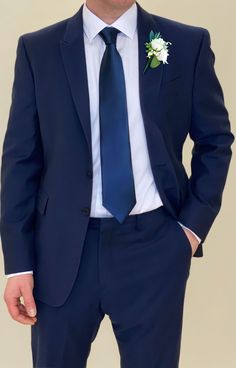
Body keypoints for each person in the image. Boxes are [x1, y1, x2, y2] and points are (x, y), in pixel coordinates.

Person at [0, 1, 234, 367]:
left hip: (154, 248)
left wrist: (189, 230)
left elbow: (216, 141)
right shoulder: (38, 51)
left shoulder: (186, 43)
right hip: (62, 253)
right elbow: (20, 161)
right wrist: (18, 264)